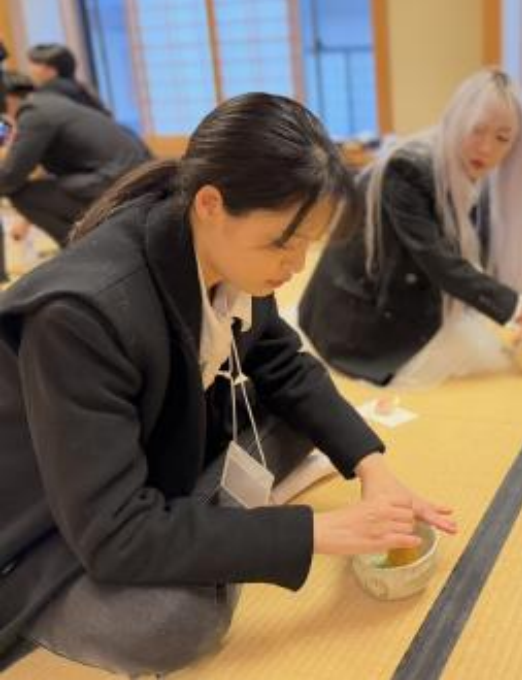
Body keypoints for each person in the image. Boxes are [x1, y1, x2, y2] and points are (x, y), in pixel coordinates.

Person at [0, 93, 457, 676]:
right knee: (173, 623)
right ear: (211, 203)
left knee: (296, 417)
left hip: (150, 456)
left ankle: (200, 526)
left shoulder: (219, 251)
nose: (296, 264)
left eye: (308, 243)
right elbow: (113, 534)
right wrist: (314, 533)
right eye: (282, 242)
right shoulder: (81, 314)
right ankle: (187, 534)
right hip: (51, 523)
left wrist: (373, 467)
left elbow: (282, 362)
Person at [299, 68, 522, 387]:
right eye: (477, 130)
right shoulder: (406, 170)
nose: (486, 148)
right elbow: (439, 262)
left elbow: (495, 248)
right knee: (469, 357)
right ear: (456, 120)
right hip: (360, 313)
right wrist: (517, 309)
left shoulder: (482, 173)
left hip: (409, 291)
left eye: (502, 138)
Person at [0, 71, 151, 247]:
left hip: (114, 183)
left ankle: (80, 248)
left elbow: (11, 177)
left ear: (8, 98)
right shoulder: (51, 103)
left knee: (21, 194)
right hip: (134, 177)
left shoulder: (34, 115)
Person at [26, 43, 109, 114]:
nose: (30, 70)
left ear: (52, 71)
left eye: (34, 64)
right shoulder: (83, 91)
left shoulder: (49, 96)